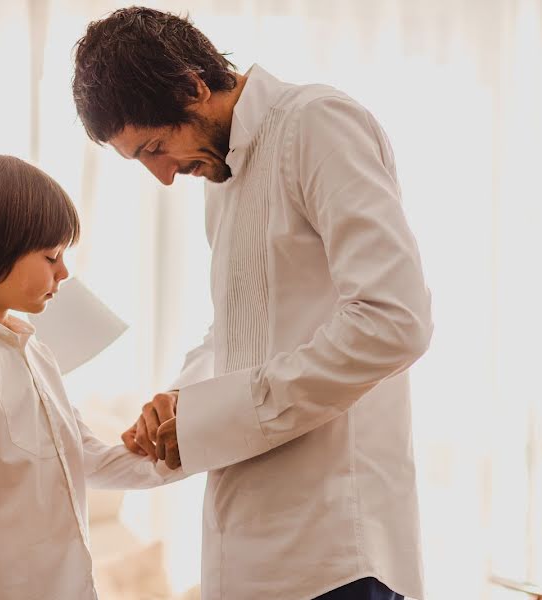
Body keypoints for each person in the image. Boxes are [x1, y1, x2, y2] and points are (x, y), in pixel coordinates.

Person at [73, 7, 434, 600]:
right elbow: (237, 331)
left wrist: (219, 412)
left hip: (336, 555)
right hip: (249, 553)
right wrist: (181, 401)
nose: (163, 177)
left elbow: (394, 321)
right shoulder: (221, 178)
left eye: (155, 147)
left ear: (192, 85)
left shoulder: (319, 125)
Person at [0, 152, 183, 600]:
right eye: (51, 255)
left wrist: (183, 447)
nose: (64, 271)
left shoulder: (34, 353)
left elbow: (85, 458)